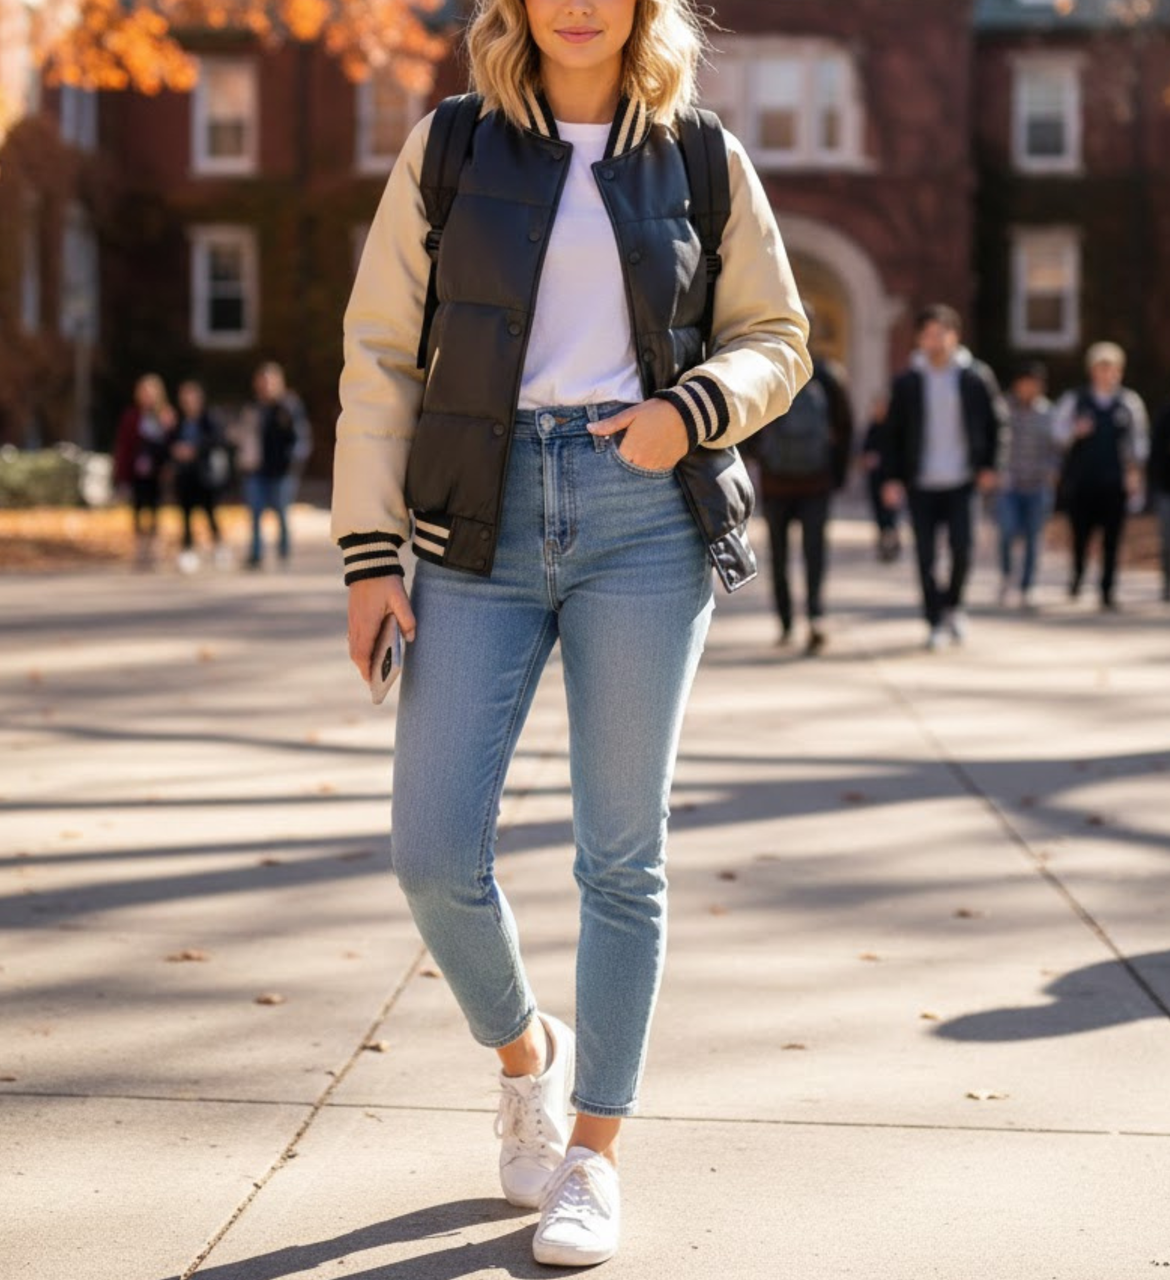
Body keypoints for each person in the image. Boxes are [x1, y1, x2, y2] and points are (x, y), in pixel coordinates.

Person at [330, 0, 811, 1262]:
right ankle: (523, 1052)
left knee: (619, 853)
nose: (581, 5)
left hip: (642, 515)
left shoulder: (699, 152)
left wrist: (694, 408)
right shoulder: (449, 145)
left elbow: (778, 337)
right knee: (432, 847)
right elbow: (380, 351)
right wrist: (367, 553)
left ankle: (591, 1155)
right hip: (469, 522)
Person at [880, 305, 1005, 650]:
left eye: (941, 333)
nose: (934, 341)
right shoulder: (907, 382)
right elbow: (892, 433)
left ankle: (954, 606)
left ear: (955, 335)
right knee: (925, 557)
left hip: (962, 480)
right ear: (919, 339)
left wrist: (990, 466)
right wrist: (891, 479)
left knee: (963, 550)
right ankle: (934, 620)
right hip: (920, 481)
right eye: (928, 334)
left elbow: (998, 424)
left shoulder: (975, 377)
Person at [751, 329, 852, 654]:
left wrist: (761, 458)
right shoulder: (825, 374)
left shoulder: (766, 373)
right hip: (815, 482)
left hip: (776, 481)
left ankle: (786, 624)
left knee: (779, 555)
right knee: (814, 553)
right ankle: (815, 617)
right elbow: (845, 425)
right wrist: (836, 474)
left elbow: (744, 423)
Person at [1053, 342, 1150, 611]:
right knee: (1080, 535)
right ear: (1092, 371)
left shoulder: (1128, 403)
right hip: (1082, 480)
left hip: (1113, 481)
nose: (1106, 374)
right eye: (1101, 368)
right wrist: (1075, 431)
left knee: (1112, 539)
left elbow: (1138, 444)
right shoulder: (1076, 399)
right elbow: (1057, 435)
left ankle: (1107, 589)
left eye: (1111, 369)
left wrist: (1134, 475)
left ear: (1119, 371)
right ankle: (1077, 577)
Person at [995, 361, 1057, 610]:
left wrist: (1054, 471)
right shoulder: (1002, 409)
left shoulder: (1048, 413)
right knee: (1007, 531)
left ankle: (1027, 585)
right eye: (1025, 383)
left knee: (1033, 537)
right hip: (1008, 485)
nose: (1029, 388)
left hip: (1038, 484)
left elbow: (1057, 449)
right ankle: (1007, 576)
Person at [236, 362, 299, 569]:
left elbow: (300, 437)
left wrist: (293, 461)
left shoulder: (288, 407)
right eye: (263, 381)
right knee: (255, 512)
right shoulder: (252, 407)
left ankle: (283, 552)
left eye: (270, 381)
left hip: (281, 470)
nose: (266, 386)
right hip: (256, 469)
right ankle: (256, 553)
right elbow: (243, 434)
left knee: (281, 512)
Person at [112, 373, 175, 568]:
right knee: (138, 509)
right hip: (137, 471)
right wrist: (121, 475)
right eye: (144, 391)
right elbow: (124, 446)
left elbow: (171, 443)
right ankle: (140, 550)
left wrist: (169, 465)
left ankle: (154, 551)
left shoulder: (165, 415)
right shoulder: (132, 416)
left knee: (155, 509)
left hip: (157, 472)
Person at [170, 379, 231, 573]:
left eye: (191, 396)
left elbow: (218, 440)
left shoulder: (209, 419)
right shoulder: (177, 420)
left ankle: (219, 547)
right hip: (184, 476)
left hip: (205, 476)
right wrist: (176, 451)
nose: (188, 400)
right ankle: (188, 551)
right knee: (186, 516)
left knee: (210, 513)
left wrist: (194, 450)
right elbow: (168, 442)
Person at [861, 394, 901, 563]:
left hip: (890, 478)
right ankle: (884, 545)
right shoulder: (872, 428)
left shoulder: (893, 428)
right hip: (875, 479)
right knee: (879, 514)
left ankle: (892, 544)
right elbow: (863, 452)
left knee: (890, 515)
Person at [1151, 396, 1170, 603]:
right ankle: (1168, 584)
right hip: (1167, 488)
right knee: (1167, 541)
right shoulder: (1165, 414)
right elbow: (1155, 452)